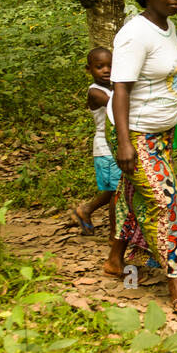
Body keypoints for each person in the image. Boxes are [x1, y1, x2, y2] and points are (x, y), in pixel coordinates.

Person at [104, 0, 177, 313]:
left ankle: (116, 258)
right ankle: (176, 282)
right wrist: (125, 142)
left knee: (132, 197)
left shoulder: (167, 28)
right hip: (139, 135)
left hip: (165, 133)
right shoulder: (134, 34)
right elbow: (121, 88)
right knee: (164, 200)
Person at [68, 48, 119, 233]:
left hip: (117, 144)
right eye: (100, 67)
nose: (106, 70)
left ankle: (85, 210)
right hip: (105, 147)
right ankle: (115, 235)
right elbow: (116, 104)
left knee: (116, 188)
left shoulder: (114, 87)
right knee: (116, 192)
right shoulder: (95, 92)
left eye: (110, 66)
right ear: (89, 69)